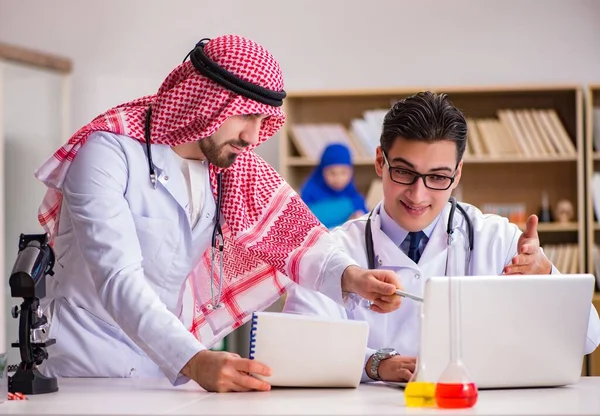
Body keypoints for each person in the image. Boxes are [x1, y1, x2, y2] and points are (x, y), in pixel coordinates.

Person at [32, 35, 403, 393]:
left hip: (160, 366)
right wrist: (195, 360)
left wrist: (355, 278)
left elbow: (291, 233)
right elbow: (117, 276)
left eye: (263, 120)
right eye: (245, 116)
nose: (252, 137)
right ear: (206, 102)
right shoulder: (109, 154)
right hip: (83, 366)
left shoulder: (227, 164)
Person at [283, 91, 600, 383]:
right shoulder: (334, 249)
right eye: (405, 172)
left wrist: (544, 276)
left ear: (457, 174)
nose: (418, 195)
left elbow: (586, 339)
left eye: (437, 177)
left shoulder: (497, 239)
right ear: (381, 161)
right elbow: (301, 349)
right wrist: (374, 364)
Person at [301, 143, 367, 228]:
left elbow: (365, 222)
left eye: (344, 172)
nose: (338, 179)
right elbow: (304, 223)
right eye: (332, 173)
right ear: (322, 171)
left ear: (351, 171)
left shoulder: (354, 196)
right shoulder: (309, 193)